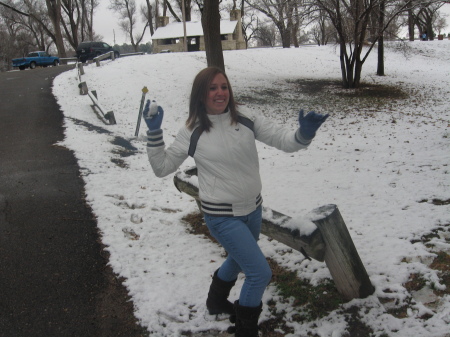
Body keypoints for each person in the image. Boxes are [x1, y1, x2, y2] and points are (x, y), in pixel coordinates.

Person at [144, 67, 328, 337]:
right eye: (212, 88)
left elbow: (285, 141)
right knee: (259, 274)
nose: (220, 93)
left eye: (224, 86)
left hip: (253, 210)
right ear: (200, 95)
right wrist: (154, 133)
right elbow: (162, 167)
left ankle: (216, 302)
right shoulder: (192, 131)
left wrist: (304, 134)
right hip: (221, 217)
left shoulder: (246, 118)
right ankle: (245, 329)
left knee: (240, 259)